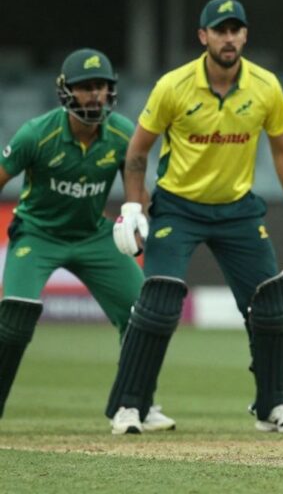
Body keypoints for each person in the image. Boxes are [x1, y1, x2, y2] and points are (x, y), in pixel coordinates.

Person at [105, 0, 283, 435]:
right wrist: (131, 205)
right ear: (203, 36)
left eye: (235, 29)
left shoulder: (265, 86)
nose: (228, 37)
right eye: (219, 30)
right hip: (178, 206)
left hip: (238, 209)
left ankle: (273, 406)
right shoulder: (174, 85)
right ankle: (130, 406)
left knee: (272, 306)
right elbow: (137, 151)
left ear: (244, 35)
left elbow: (282, 148)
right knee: (160, 302)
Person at [0, 48, 174, 432]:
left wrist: (142, 217)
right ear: (66, 92)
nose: (94, 95)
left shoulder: (122, 133)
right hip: (38, 233)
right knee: (14, 316)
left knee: (142, 312)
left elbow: (137, 190)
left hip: (92, 234)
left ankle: (138, 403)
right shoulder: (37, 133)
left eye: (101, 86)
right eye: (85, 88)